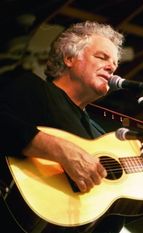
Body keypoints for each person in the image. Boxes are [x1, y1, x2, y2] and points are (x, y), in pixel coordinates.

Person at [0, 20, 126, 233]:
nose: (111, 67)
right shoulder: (32, 89)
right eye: (102, 57)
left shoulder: (100, 134)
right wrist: (59, 150)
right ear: (69, 58)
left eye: (114, 64)